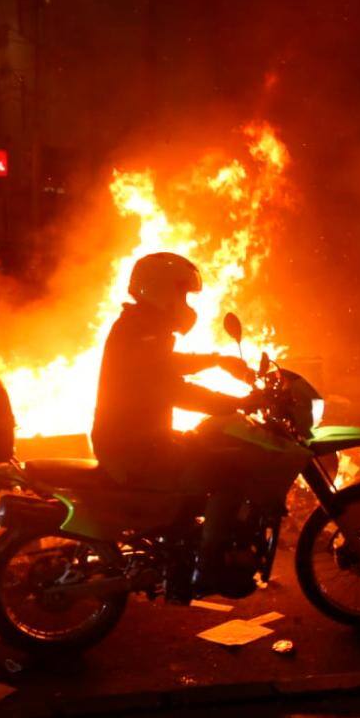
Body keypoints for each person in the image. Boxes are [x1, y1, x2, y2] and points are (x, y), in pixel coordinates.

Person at [91, 252, 266, 599]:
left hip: (140, 439)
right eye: (181, 293)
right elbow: (171, 388)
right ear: (159, 290)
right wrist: (235, 403)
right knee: (227, 477)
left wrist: (217, 361)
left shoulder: (143, 326)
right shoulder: (141, 329)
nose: (185, 303)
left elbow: (167, 366)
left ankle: (188, 545)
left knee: (208, 450)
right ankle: (208, 569)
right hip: (134, 448)